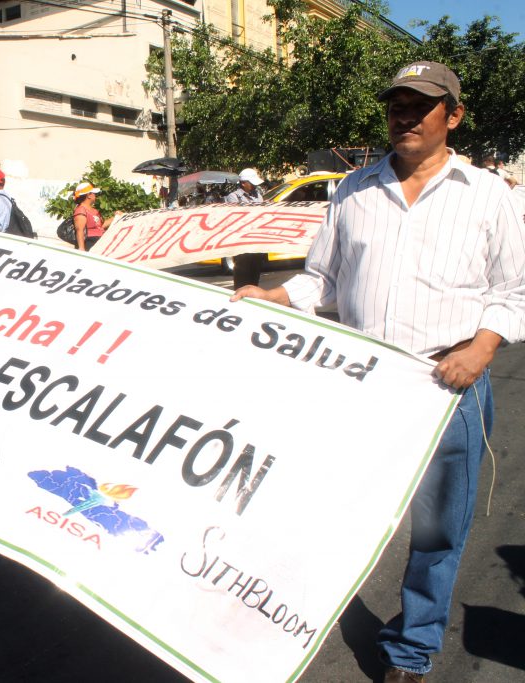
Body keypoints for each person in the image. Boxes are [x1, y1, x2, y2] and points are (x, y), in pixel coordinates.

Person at [231, 60, 525, 683]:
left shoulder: (488, 194)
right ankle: (292, 617)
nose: (406, 117)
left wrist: (481, 349)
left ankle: (411, 650)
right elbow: (324, 280)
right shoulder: (353, 191)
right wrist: (273, 296)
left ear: (454, 116)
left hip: (448, 387)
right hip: (362, 385)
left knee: (438, 530)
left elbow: (514, 291)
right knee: (335, 510)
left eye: (422, 106)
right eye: (398, 106)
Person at [225, 168, 268, 289]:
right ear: (243, 183)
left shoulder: (258, 196)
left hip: (256, 244)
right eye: (251, 183)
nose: (254, 186)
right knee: (242, 281)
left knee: (254, 280)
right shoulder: (233, 197)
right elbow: (238, 218)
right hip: (242, 245)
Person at [70, 182, 121, 251]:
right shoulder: (81, 210)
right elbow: (80, 230)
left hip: (99, 241)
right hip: (90, 242)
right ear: (89, 195)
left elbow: (100, 226)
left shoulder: (94, 210)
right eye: (94, 193)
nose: (95, 195)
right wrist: (81, 248)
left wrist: (116, 216)